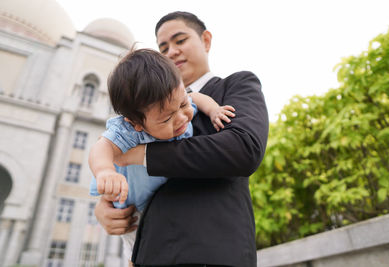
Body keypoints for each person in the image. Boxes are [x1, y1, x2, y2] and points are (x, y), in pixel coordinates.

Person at [94, 11, 269, 267]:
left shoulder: (236, 85)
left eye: (180, 40)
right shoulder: (140, 112)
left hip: (211, 253)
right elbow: (116, 165)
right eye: (163, 47)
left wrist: (143, 155)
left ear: (206, 40)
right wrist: (107, 207)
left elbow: (243, 149)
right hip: (148, 255)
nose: (172, 51)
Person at [88, 48, 235, 263]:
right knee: (136, 252)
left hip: (170, 203)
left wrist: (214, 110)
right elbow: (102, 148)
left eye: (182, 104)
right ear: (137, 123)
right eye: (166, 119)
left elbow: (196, 98)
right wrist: (105, 171)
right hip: (135, 211)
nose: (182, 118)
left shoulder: (178, 100)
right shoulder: (127, 131)